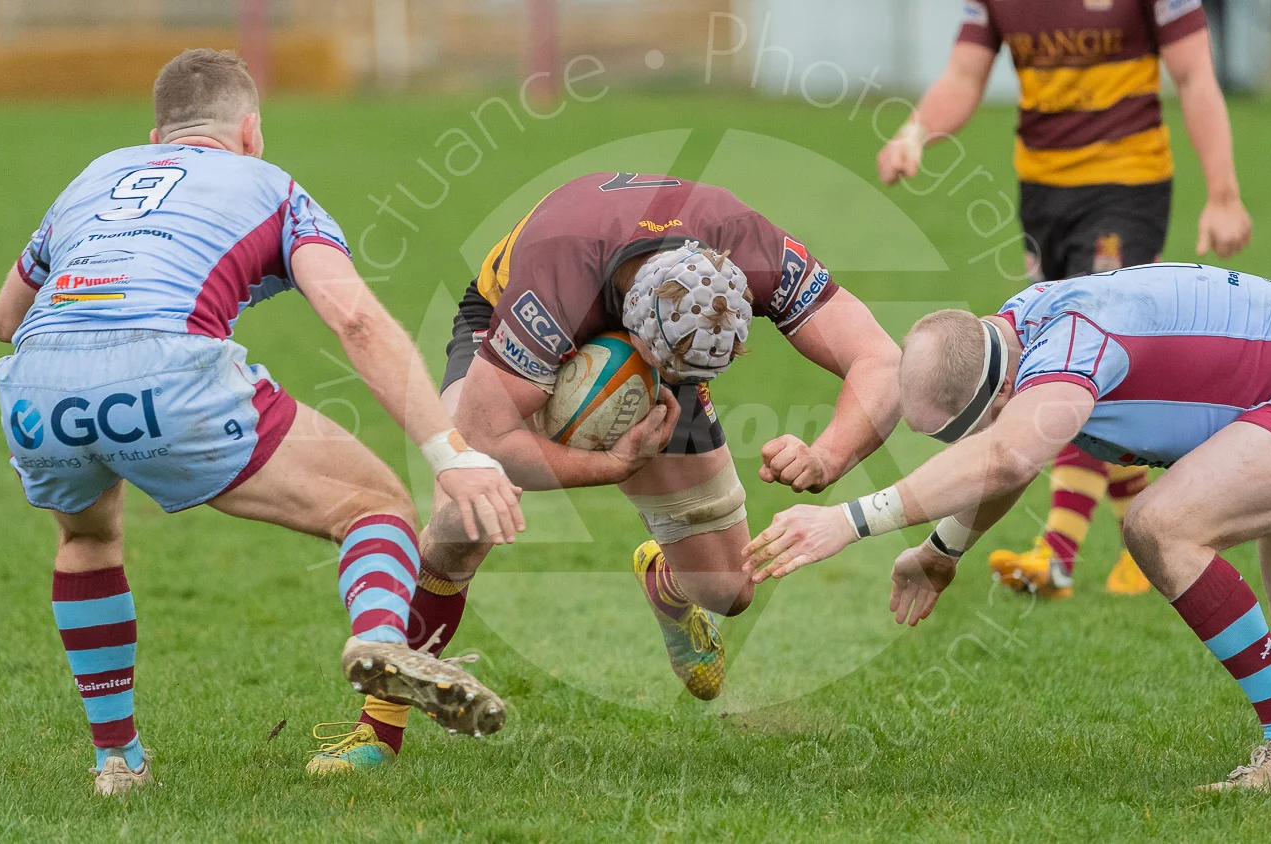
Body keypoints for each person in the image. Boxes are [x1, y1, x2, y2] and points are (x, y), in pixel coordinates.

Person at [0, 49, 524, 795]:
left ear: (157, 137)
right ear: (250, 132)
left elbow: (5, 319)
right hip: (168, 371)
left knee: (87, 540)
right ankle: (380, 641)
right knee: (375, 506)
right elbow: (356, 319)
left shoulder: (94, 175)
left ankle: (118, 761)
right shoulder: (272, 186)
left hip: (35, 388)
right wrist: (450, 454)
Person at [743, 263, 1271, 792]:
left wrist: (848, 520)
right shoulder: (1021, 333)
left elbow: (1008, 455)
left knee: (1161, 525)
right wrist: (942, 550)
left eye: (967, 431)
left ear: (1001, 392)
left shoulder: (1071, 345)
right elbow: (1009, 454)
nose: (967, 448)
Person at [316, 173, 904, 773]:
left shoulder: (752, 247)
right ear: (636, 321)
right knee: (465, 515)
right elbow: (487, 440)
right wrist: (612, 465)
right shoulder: (556, 281)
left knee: (729, 590)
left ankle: (669, 584)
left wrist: (827, 456)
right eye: (670, 366)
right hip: (505, 323)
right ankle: (377, 731)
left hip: (654, 333)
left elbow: (881, 361)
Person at [877, 0, 1253, 598]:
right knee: (1069, 366)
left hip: (1127, 185)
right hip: (1042, 194)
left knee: (1072, 364)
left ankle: (1058, 553)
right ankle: (1140, 537)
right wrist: (914, 132)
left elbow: (1194, 75)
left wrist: (1224, 193)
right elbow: (965, 75)